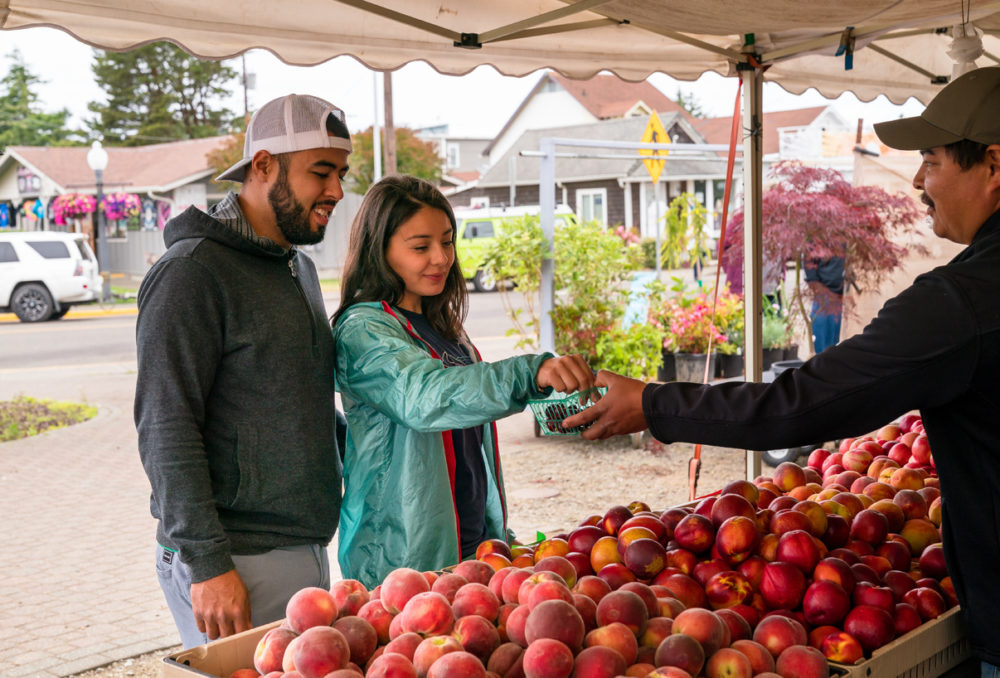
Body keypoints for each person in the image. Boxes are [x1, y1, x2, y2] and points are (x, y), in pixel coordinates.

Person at [564, 66, 1000, 669]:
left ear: (993, 167)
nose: (920, 180)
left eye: (932, 160)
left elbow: (800, 404)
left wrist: (653, 402)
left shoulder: (964, 302)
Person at [134, 93, 351, 648]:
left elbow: (295, 400)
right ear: (263, 166)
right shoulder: (191, 273)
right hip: (235, 563)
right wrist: (206, 564)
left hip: (300, 548)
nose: (337, 192)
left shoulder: (295, 264)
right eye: (321, 172)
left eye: (342, 173)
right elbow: (166, 427)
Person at [331, 175, 594, 589]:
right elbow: (425, 397)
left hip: (472, 544)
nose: (440, 258)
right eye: (420, 247)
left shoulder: (443, 326)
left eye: (448, 241)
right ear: (379, 250)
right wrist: (529, 372)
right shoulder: (363, 329)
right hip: (401, 563)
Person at [804, 254, 845, 352]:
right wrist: (815, 282)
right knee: (822, 342)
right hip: (823, 291)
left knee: (836, 341)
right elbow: (809, 260)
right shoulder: (817, 239)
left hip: (843, 293)